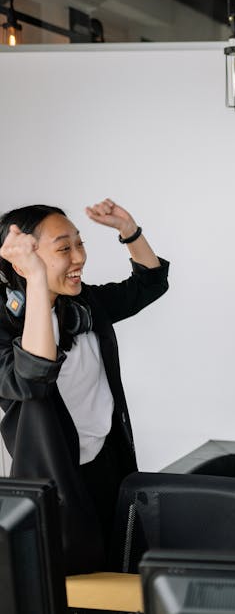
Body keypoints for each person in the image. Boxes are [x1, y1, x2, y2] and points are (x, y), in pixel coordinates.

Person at [0, 201, 169, 574]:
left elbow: (150, 284)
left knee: (122, 568)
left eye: (80, 243)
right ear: (23, 263)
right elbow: (33, 379)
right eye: (64, 248)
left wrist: (128, 228)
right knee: (72, 585)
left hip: (108, 464)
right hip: (54, 481)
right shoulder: (7, 324)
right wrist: (36, 283)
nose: (79, 257)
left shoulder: (82, 303)